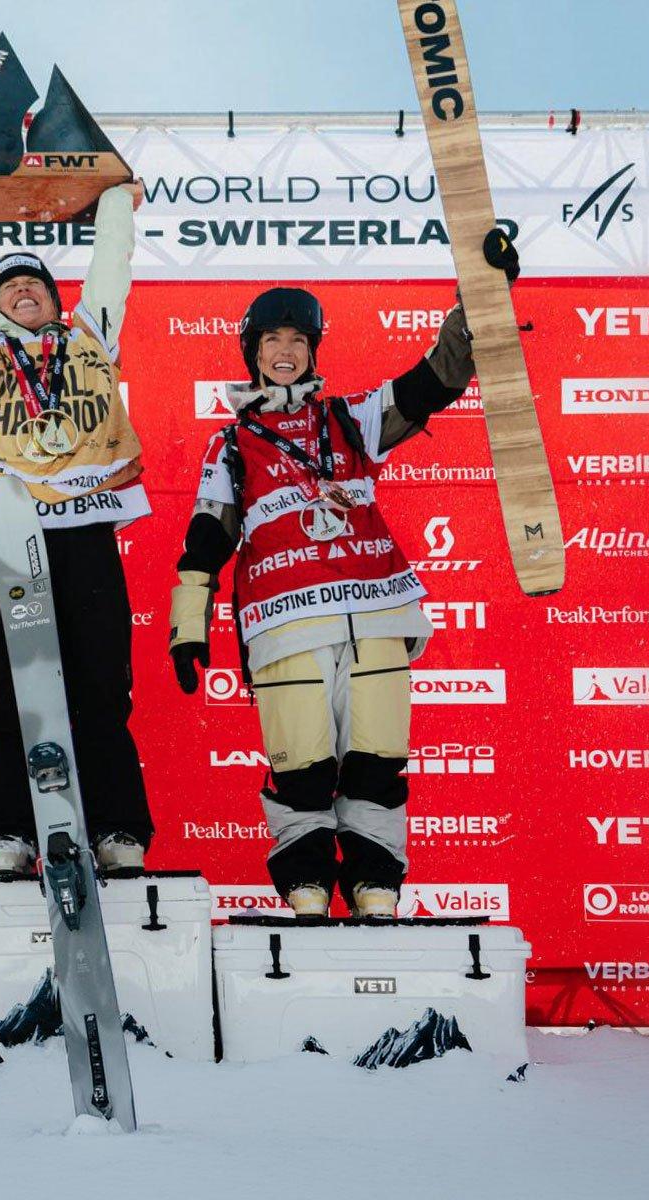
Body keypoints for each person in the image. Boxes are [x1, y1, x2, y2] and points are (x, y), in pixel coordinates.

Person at [167, 233, 518, 918]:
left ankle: (375, 892)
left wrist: (481, 299)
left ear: (313, 351)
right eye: (272, 339)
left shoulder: (351, 418)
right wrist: (188, 625)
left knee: (376, 761)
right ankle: (306, 895)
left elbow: (436, 381)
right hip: (284, 623)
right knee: (301, 765)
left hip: (375, 612)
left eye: (298, 340)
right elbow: (208, 535)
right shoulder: (232, 442)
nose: (285, 351)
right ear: (252, 352)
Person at [0, 180, 156, 875]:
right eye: (9, 286)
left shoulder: (90, 339)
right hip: (4, 538)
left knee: (101, 686)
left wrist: (116, 202)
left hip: (83, 531)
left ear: (55, 298)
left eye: (35, 284)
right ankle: (7, 833)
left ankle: (117, 830)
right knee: (3, 692)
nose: (23, 291)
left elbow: (111, 269)